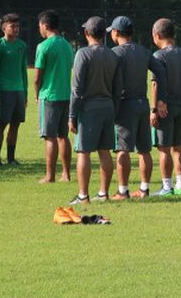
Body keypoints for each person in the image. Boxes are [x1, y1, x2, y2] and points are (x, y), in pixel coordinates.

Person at [107, 16, 167, 199]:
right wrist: (160, 100)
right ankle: (144, 189)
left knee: (122, 149)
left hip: (124, 104)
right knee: (144, 150)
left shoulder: (114, 53)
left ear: (116, 32)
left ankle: (122, 190)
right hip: (143, 104)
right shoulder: (144, 51)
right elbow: (161, 72)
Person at [68, 16, 122, 204]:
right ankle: (103, 193)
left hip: (89, 107)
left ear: (86, 33)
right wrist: (113, 109)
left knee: (84, 151)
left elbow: (76, 89)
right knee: (104, 151)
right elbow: (118, 88)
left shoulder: (83, 54)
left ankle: (83, 196)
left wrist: (72, 116)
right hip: (108, 106)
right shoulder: (113, 55)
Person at [150, 18, 181, 196]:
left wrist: (155, 108)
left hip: (166, 107)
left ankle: (167, 187)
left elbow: (156, 84)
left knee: (164, 148)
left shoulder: (158, 56)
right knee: (177, 147)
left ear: (157, 35)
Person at [34, 10, 73, 184]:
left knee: (50, 137)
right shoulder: (67, 45)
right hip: (66, 94)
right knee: (63, 136)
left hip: (49, 95)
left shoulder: (43, 46)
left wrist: (37, 94)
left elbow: (37, 77)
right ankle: (66, 174)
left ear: (45, 25)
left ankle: (50, 176)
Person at [0, 13, 28, 166]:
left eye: (17, 26)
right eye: (12, 26)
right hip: (4, 91)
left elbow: (23, 71)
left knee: (15, 124)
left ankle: (11, 157)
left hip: (18, 90)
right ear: (4, 28)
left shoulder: (21, 46)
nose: (16, 29)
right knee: (2, 123)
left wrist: (25, 93)